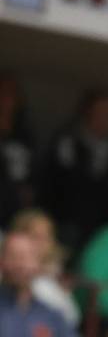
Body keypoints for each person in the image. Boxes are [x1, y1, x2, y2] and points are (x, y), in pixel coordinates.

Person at [41, 89, 108, 250]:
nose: (104, 118)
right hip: (69, 221)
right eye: (99, 112)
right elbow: (67, 185)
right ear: (86, 113)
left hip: (104, 226)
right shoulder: (68, 142)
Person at [10, 209, 80, 327]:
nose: (42, 243)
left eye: (46, 237)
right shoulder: (8, 274)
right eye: (35, 236)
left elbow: (72, 318)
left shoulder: (56, 276)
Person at [0, 74, 36, 229]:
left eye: (12, 94)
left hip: (15, 211)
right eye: (3, 93)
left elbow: (33, 169)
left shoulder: (24, 135)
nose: (7, 99)